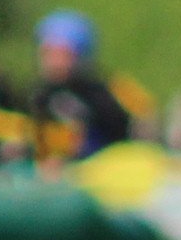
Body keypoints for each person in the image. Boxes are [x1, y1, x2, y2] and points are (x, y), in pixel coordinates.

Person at [22, 11, 144, 167]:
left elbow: (125, 137)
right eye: (48, 53)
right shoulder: (37, 95)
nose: (54, 63)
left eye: (62, 55)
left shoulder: (105, 94)